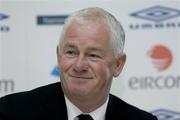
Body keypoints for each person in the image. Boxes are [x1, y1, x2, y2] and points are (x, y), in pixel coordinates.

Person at [0, 7, 158, 120]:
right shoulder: (11, 112)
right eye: (71, 52)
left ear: (118, 64)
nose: (79, 65)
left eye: (93, 55)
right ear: (58, 55)